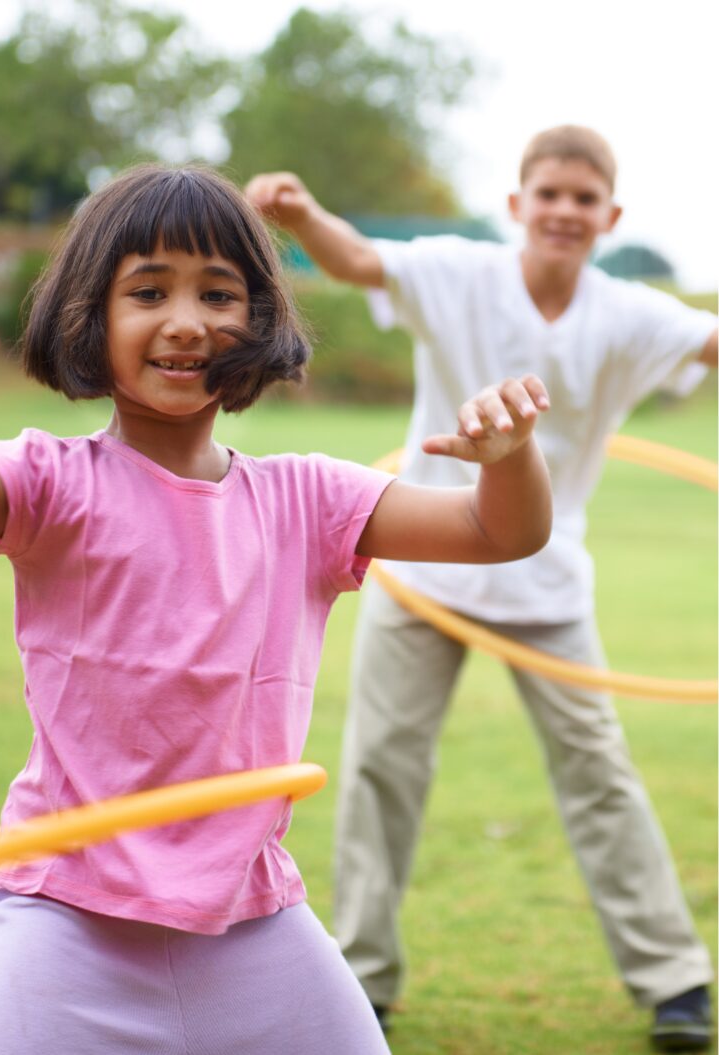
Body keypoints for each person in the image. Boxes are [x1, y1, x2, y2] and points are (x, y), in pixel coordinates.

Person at [0, 163, 552, 1055]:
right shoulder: (47, 483)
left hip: (252, 924)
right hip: (65, 922)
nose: (187, 321)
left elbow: (493, 531)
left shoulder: (308, 500)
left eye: (219, 292)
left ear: (261, 320)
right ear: (91, 316)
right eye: (148, 290)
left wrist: (509, 459)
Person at [246, 125, 718, 1052]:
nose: (564, 212)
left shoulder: (628, 313)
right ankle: (364, 980)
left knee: (599, 777)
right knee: (382, 767)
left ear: (608, 217)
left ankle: (675, 984)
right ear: (517, 205)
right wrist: (300, 214)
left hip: (545, 581)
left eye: (584, 200)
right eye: (548, 193)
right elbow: (356, 259)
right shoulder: (459, 274)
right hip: (426, 561)